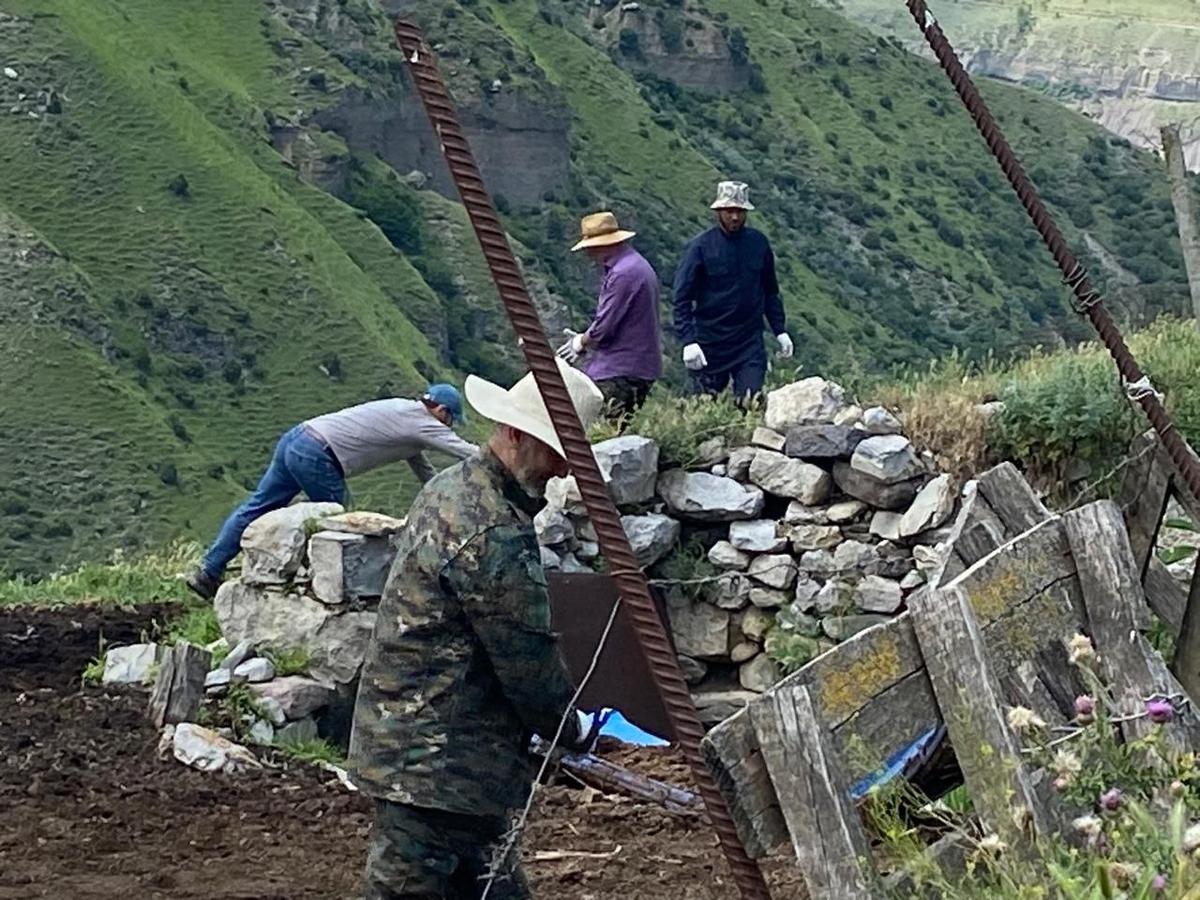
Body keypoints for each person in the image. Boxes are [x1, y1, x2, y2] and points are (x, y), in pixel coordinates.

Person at [349, 359, 608, 900]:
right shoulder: (493, 533)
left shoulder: (453, 488)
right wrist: (573, 727)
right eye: (557, 453)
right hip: (438, 767)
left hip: (431, 753)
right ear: (516, 434)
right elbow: (526, 662)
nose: (563, 471)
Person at [185, 385, 477, 600]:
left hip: (297, 439)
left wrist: (440, 491)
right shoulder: (424, 424)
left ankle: (209, 571)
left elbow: (423, 470)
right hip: (318, 455)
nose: (448, 427)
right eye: (450, 421)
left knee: (256, 507)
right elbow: (465, 452)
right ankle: (326, 592)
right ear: (441, 411)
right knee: (343, 525)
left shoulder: (404, 411)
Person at [672, 180, 794, 403]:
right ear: (719, 211)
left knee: (751, 401)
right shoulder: (699, 248)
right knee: (703, 406)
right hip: (710, 343)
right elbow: (682, 298)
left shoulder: (759, 244)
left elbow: (770, 291)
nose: (735, 217)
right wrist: (689, 341)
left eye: (739, 211)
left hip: (749, 342)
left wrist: (780, 330)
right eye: (729, 211)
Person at [557, 211, 662, 420]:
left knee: (599, 430)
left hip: (620, 370)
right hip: (637, 366)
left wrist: (581, 342)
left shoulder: (623, 274)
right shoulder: (635, 265)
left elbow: (605, 326)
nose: (589, 254)